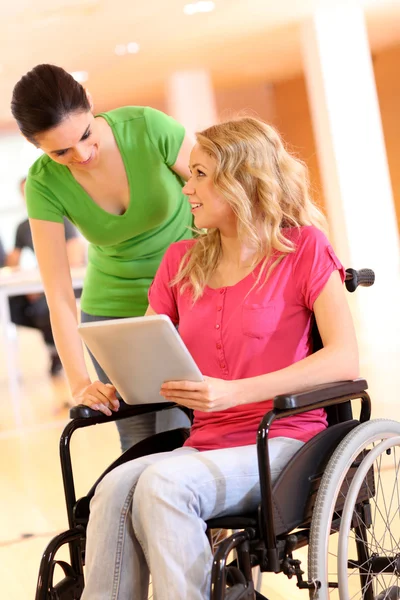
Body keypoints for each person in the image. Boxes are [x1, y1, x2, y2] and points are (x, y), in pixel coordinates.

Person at [80, 117, 359, 599]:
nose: (186, 187)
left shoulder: (302, 250)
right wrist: (112, 386)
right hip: (206, 443)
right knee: (112, 491)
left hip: (283, 443)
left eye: (199, 174)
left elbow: (344, 359)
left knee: (163, 485)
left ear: (243, 180)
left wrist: (234, 392)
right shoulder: (181, 260)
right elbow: (148, 354)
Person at [11, 63, 194, 451]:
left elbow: (222, 196)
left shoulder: (148, 127)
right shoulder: (43, 182)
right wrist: (78, 382)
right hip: (115, 314)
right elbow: (58, 293)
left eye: (86, 135)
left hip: (192, 296)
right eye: (60, 151)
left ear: (90, 104)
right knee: (140, 442)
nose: (81, 154)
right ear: (36, 146)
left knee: (194, 428)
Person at [5, 177, 86, 376]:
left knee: (44, 308)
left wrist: (40, 287)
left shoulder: (62, 218)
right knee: (13, 306)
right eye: (25, 194)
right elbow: (12, 261)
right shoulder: (23, 227)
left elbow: (73, 260)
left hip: (69, 282)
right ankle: (53, 346)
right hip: (43, 283)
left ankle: (58, 350)